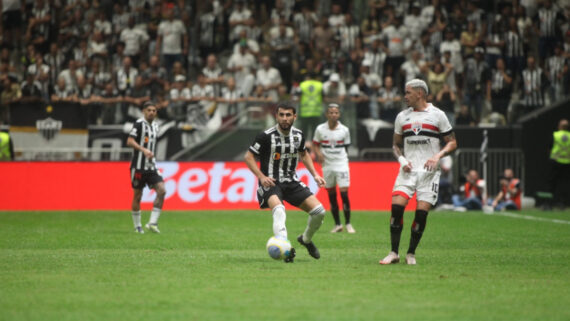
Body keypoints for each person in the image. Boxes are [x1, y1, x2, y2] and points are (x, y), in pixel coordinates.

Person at [379, 79, 457, 265]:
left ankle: (411, 253)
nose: (405, 96)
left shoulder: (438, 115)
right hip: (408, 171)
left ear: (419, 93)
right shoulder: (402, 117)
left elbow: (452, 142)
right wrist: (402, 160)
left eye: (408, 92)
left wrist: (437, 156)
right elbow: (396, 145)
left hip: (429, 173)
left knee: (421, 214)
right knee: (397, 207)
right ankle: (393, 253)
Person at [244, 102, 327, 263]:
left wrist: (315, 175)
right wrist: (261, 177)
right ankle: (286, 250)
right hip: (271, 183)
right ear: (276, 116)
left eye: (288, 115)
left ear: (294, 117)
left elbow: (304, 155)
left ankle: (306, 239)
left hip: (291, 182)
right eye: (281, 115)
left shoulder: (298, 135)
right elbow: (248, 157)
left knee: (319, 212)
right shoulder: (266, 136)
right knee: (279, 210)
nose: (284, 118)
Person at [312, 104, 355, 234]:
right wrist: (318, 153)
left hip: (341, 164)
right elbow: (315, 144)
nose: (333, 115)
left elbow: (346, 148)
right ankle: (337, 224)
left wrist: (340, 158)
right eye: (331, 112)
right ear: (327, 114)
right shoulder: (320, 129)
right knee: (331, 195)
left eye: (336, 112)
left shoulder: (345, 130)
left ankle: (348, 223)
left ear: (339, 115)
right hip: (327, 165)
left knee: (344, 193)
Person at [126, 101, 166, 234]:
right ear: (143, 111)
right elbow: (130, 141)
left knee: (162, 190)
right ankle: (137, 226)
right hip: (138, 167)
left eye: (154, 110)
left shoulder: (155, 126)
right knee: (138, 196)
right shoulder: (139, 124)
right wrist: (143, 150)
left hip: (151, 166)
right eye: (149, 110)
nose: (151, 112)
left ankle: (152, 223)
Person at [548, 119, 570, 209]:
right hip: (567, 162)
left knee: (552, 183)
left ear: (559, 126)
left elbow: (550, 147)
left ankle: (549, 203)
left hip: (556, 161)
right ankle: (563, 203)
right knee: (565, 183)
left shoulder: (555, 135)